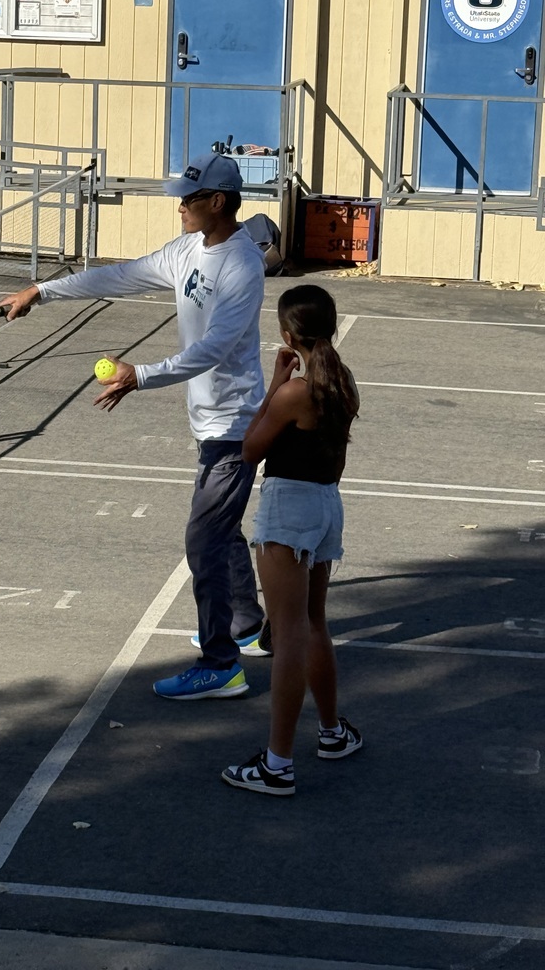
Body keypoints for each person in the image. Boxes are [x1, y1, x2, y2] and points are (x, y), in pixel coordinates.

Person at [0, 153, 270, 699]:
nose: (180, 207)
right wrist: (44, 292)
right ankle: (245, 622)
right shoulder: (187, 250)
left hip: (235, 423)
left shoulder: (242, 266)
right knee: (220, 529)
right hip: (209, 420)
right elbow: (122, 275)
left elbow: (214, 349)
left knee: (204, 540)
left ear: (217, 201)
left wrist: (138, 376)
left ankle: (222, 665)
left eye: (189, 199)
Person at [221, 284, 362, 796]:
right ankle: (331, 733)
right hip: (327, 505)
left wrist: (274, 385)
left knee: (287, 636)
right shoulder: (342, 381)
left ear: (287, 334)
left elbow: (250, 449)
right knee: (315, 623)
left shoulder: (293, 392)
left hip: (289, 509)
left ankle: (277, 764)